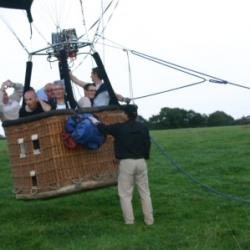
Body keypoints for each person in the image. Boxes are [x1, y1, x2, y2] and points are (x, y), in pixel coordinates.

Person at [94, 105, 154, 225]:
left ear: (126, 115)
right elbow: (147, 144)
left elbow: (103, 129)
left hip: (126, 163)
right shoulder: (143, 127)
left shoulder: (119, 127)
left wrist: (94, 121)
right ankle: (149, 220)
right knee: (145, 192)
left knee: (125, 194)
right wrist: (145, 157)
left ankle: (129, 221)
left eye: (122, 113)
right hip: (141, 162)